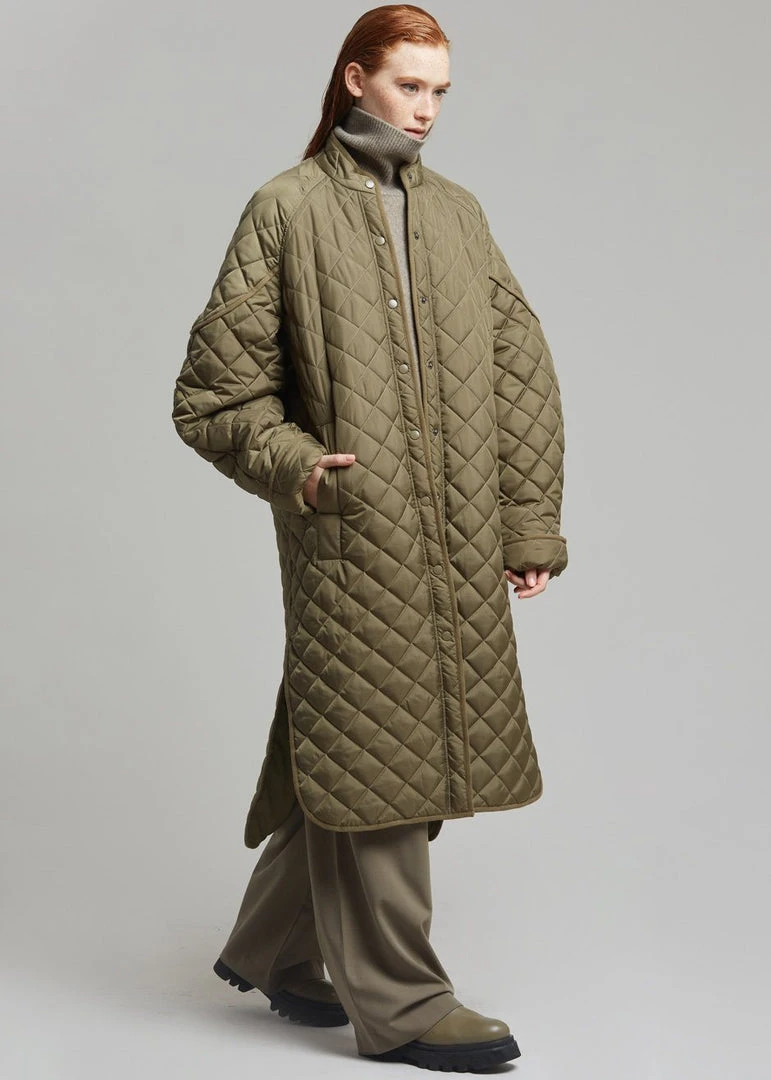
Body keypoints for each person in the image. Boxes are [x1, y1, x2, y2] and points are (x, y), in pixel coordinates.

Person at [171, 3, 568, 1070]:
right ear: (355, 79)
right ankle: (404, 1005)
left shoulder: (458, 216)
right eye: (408, 85)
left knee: (372, 750)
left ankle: (278, 951)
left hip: (461, 536)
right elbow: (214, 396)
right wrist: (300, 467)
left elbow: (519, 374)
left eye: (440, 91)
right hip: (351, 536)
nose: (426, 109)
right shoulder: (286, 209)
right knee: (386, 759)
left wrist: (527, 520)